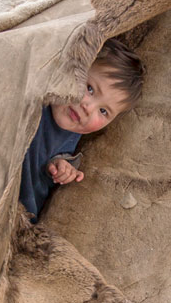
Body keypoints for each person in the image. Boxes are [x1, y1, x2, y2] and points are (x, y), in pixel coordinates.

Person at [18, 38, 143, 222]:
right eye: (90, 89)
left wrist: (64, 168)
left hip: (23, 215)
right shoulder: (39, 97)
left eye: (103, 111)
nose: (87, 107)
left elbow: (59, 156)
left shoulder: (75, 133)